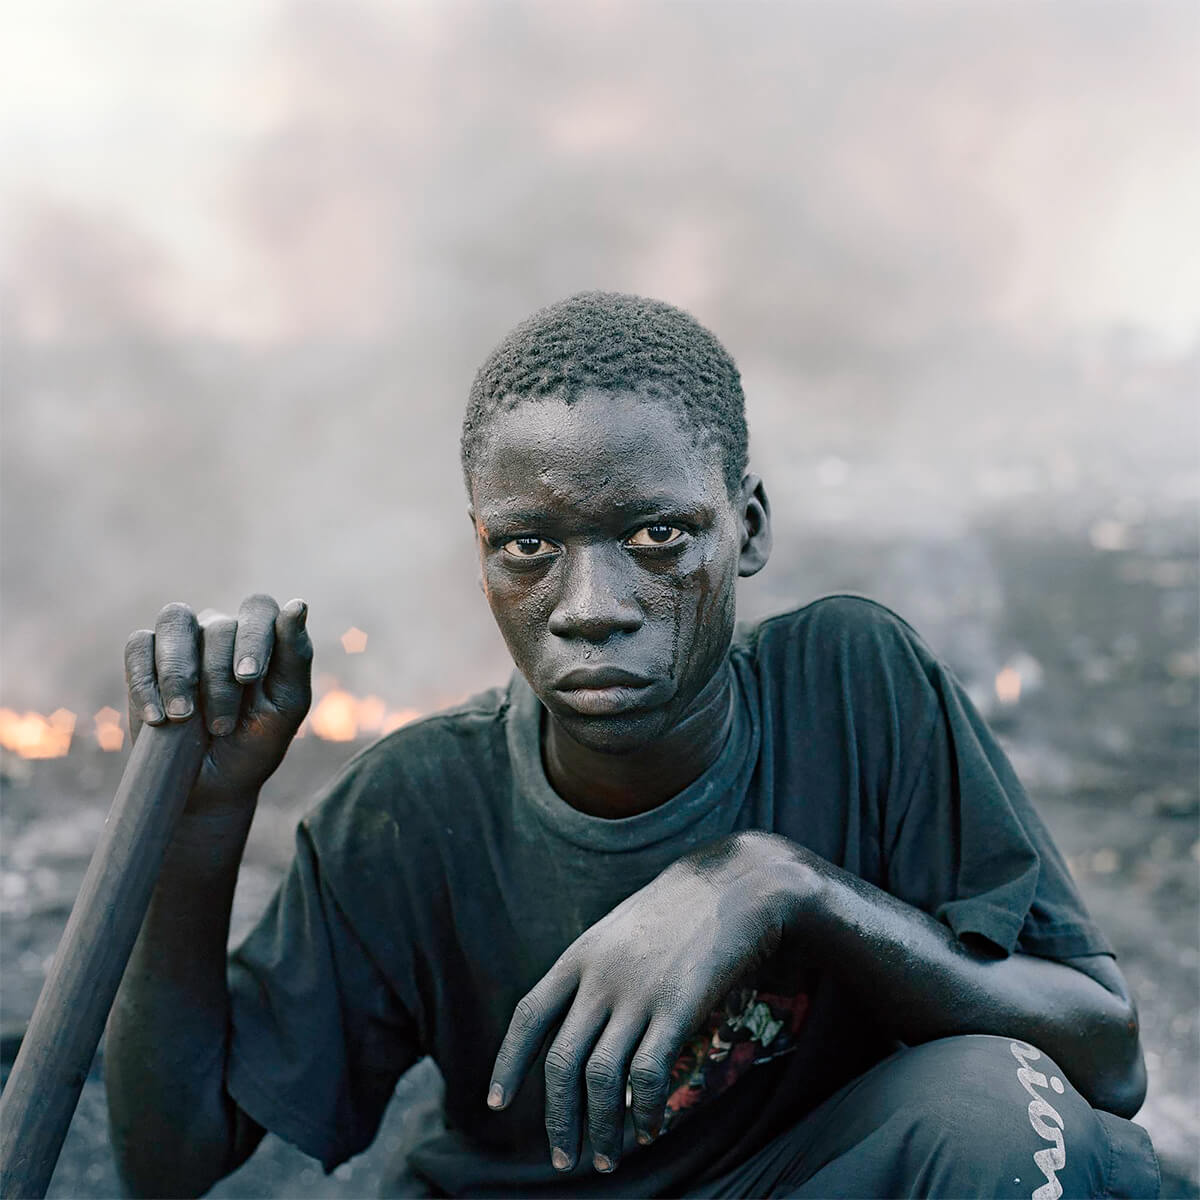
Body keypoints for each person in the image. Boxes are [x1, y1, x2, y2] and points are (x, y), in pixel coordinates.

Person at [106, 292, 1159, 1198]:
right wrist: (202, 827)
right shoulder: (411, 810)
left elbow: (1101, 1058)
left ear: (746, 529)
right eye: (531, 548)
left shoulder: (854, 687)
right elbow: (172, 1164)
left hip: (805, 1178)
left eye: (657, 537)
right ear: (480, 556)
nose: (591, 607)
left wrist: (784, 886)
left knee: (1004, 1115)